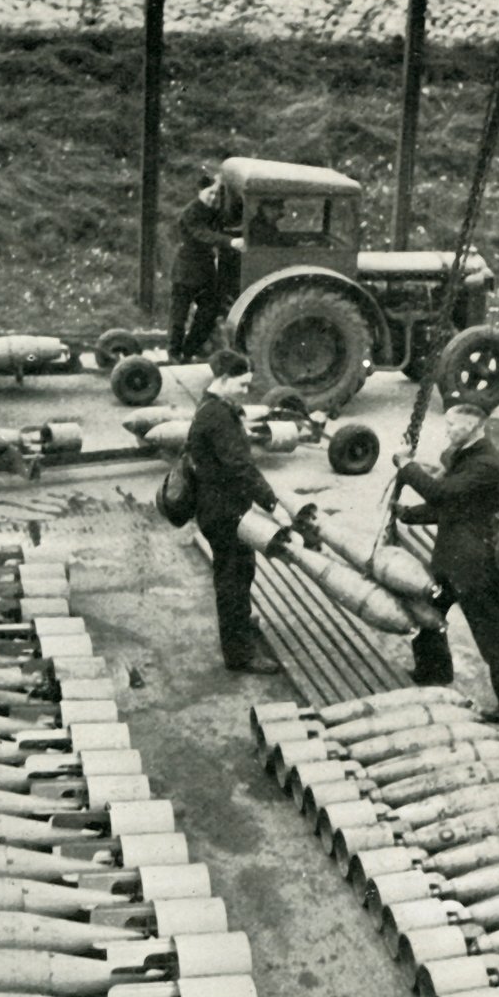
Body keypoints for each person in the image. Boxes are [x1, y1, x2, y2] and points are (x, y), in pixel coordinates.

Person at [392, 403, 499, 723]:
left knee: (494, 635)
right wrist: (408, 514)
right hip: (450, 558)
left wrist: (405, 465)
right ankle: (433, 671)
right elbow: (452, 507)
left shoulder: (485, 465)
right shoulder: (463, 456)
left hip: (474, 565)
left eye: (453, 425)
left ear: (473, 425)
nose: (447, 430)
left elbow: (441, 494)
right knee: (427, 612)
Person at [187, 348, 282, 675]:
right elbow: (240, 467)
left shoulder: (214, 405)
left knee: (240, 571)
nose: (245, 391)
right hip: (223, 512)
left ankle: (239, 624)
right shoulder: (217, 417)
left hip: (222, 507)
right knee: (233, 579)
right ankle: (240, 655)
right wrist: (272, 503)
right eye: (242, 385)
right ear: (224, 380)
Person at [168, 173, 236, 363]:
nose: (213, 198)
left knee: (209, 312)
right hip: (186, 271)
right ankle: (174, 353)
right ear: (200, 191)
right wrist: (230, 242)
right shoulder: (191, 213)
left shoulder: (212, 212)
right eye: (210, 193)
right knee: (178, 316)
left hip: (205, 272)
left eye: (216, 194)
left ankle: (189, 350)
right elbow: (203, 234)